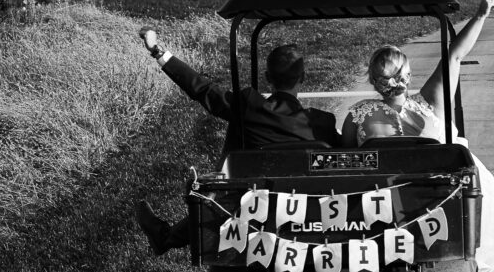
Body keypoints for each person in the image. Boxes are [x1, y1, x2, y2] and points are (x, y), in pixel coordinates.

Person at [342, 0, 494, 272]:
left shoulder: (358, 115)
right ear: (407, 76)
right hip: (435, 201)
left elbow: (348, 159)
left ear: (374, 81)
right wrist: (480, 16)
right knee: (462, 158)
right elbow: (455, 55)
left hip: (382, 202)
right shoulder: (429, 105)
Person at [135, 27, 343, 255]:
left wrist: (157, 51)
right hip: (310, 205)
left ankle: (168, 238)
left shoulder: (249, 107)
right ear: (303, 77)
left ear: (267, 78)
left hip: (249, 202)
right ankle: (168, 237)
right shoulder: (322, 123)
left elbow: (202, 89)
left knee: (230, 187)